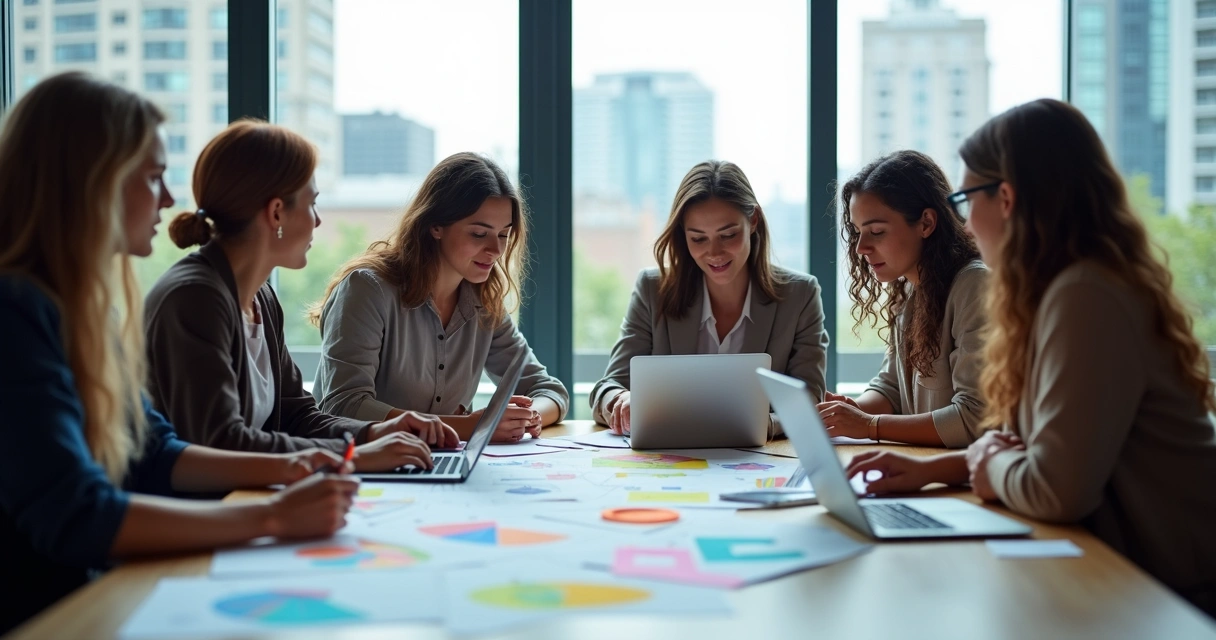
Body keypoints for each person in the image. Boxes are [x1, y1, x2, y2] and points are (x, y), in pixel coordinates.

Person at [0, 73, 358, 633]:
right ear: (92, 183)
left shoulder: (81, 309)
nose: (169, 200)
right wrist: (270, 515)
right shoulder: (16, 312)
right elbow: (76, 515)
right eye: (153, 177)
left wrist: (293, 465)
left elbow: (155, 450)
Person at [846, 99, 1216, 615]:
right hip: (1129, 571)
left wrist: (982, 458)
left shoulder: (1085, 294)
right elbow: (1030, 450)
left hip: (1170, 588)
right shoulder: (1058, 292)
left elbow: (1057, 491)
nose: (966, 219)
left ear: (1007, 198)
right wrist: (936, 468)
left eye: (966, 198)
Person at [145, 121, 457, 470]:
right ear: (277, 211)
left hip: (252, 498)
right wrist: (353, 456)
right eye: (312, 204)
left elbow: (297, 414)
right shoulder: (196, 299)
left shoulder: (260, 297)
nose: (318, 221)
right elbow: (221, 441)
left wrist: (376, 432)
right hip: (209, 513)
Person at [311, 152, 569, 443]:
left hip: (441, 468)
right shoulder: (366, 289)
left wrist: (528, 416)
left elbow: (549, 390)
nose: (495, 250)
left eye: (503, 235)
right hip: (365, 467)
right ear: (435, 226)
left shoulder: (484, 302)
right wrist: (473, 427)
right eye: (478, 234)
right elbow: (343, 406)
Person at [591, 160, 829, 437]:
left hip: (760, 459)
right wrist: (620, 401)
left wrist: (766, 425)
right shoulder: (653, 290)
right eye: (698, 239)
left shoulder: (800, 295)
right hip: (672, 461)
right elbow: (606, 388)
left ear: (753, 221)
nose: (714, 253)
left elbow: (809, 400)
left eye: (728, 235)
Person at [818, 150, 987, 447]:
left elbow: (973, 418)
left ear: (926, 223)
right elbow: (892, 389)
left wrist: (869, 425)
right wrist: (849, 412)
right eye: (857, 232)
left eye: (876, 231)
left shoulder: (974, 286)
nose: (861, 248)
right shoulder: (909, 288)